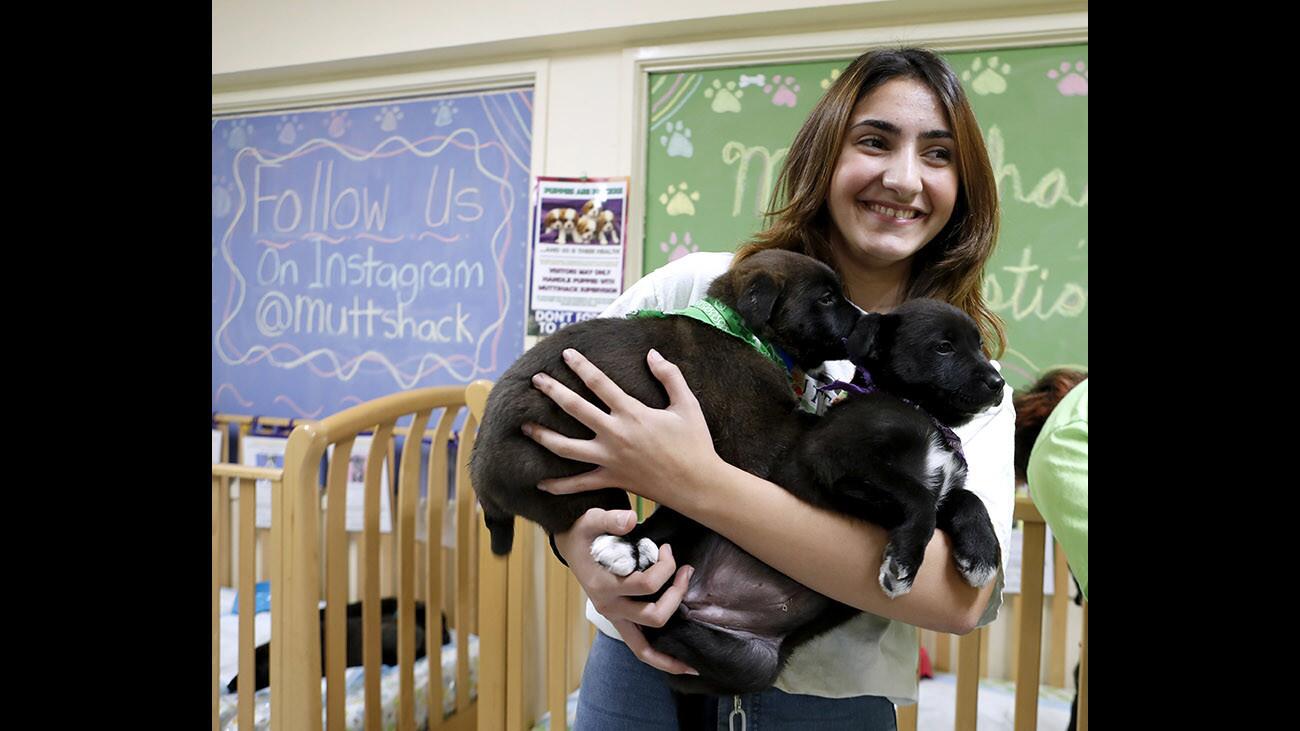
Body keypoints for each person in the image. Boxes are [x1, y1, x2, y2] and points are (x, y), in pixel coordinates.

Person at [523, 47, 1017, 729]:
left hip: (829, 705)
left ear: (964, 188)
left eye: (938, 155)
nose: (903, 179)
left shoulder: (969, 381)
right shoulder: (698, 291)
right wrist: (587, 556)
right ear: (822, 154)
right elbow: (551, 406)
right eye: (874, 140)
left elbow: (956, 597)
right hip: (638, 677)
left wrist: (698, 483)